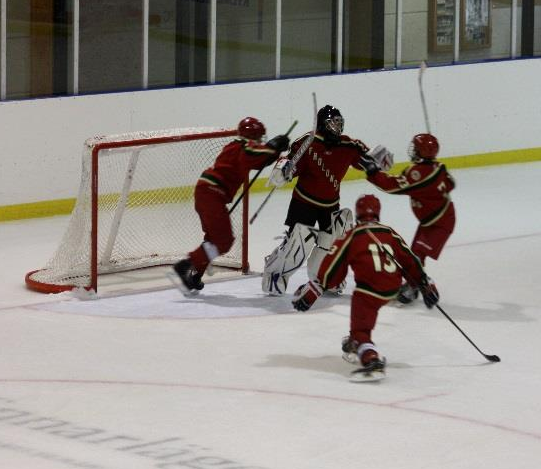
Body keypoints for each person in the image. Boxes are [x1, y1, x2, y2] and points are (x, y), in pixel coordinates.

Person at [291, 194, 439, 380]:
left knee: (361, 329)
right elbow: (410, 259)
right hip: (393, 288)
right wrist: (425, 283)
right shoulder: (389, 232)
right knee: (367, 309)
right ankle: (355, 342)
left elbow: (334, 265)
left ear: (358, 213)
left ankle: (370, 357)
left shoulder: (352, 235)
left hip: (369, 291)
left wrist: (314, 291)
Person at [262, 104, 390, 295]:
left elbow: (369, 158)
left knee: (333, 242)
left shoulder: (348, 145)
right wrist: (284, 170)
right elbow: (287, 167)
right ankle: (274, 274)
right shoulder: (308, 142)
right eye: (333, 123)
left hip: (330, 204)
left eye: (340, 123)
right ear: (323, 124)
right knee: (298, 243)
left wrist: (380, 159)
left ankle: (327, 278)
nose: (338, 128)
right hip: (303, 202)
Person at [173, 117, 288, 292]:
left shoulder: (236, 147)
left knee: (213, 239)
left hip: (208, 192)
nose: (260, 140)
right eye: (259, 137)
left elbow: (257, 161)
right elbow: (255, 154)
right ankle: (187, 265)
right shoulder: (244, 145)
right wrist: (273, 146)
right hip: (212, 193)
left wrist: (274, 152)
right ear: (252, 135)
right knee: (223, 241)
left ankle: (196, 273)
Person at [362, 132, 455, 304]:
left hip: (439, 223)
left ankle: (426, 286)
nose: (412, 150)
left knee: (417, 255)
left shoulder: (417, 173)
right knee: (414, 255)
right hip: (434, 219)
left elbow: (392, 186)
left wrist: (373, 172)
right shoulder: (439, 167)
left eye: (416, 148)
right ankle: (413, 285)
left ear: (422, 151)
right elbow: (450, 183)